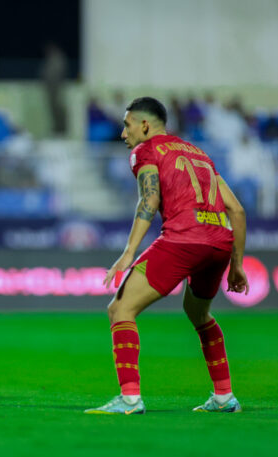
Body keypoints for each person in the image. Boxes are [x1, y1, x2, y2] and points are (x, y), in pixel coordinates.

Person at [85, 97, 248, 415]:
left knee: (120, 309)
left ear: (144, 125)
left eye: (126, 125)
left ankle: (130, 399)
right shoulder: (199, 154)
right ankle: (225, 396)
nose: (123, 134)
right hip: (218, 244)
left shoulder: (145, 151)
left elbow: (150, 198)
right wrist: (236, 264)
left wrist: (128, 252)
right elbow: (237, 210)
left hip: (183, 240)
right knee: (199, 314)